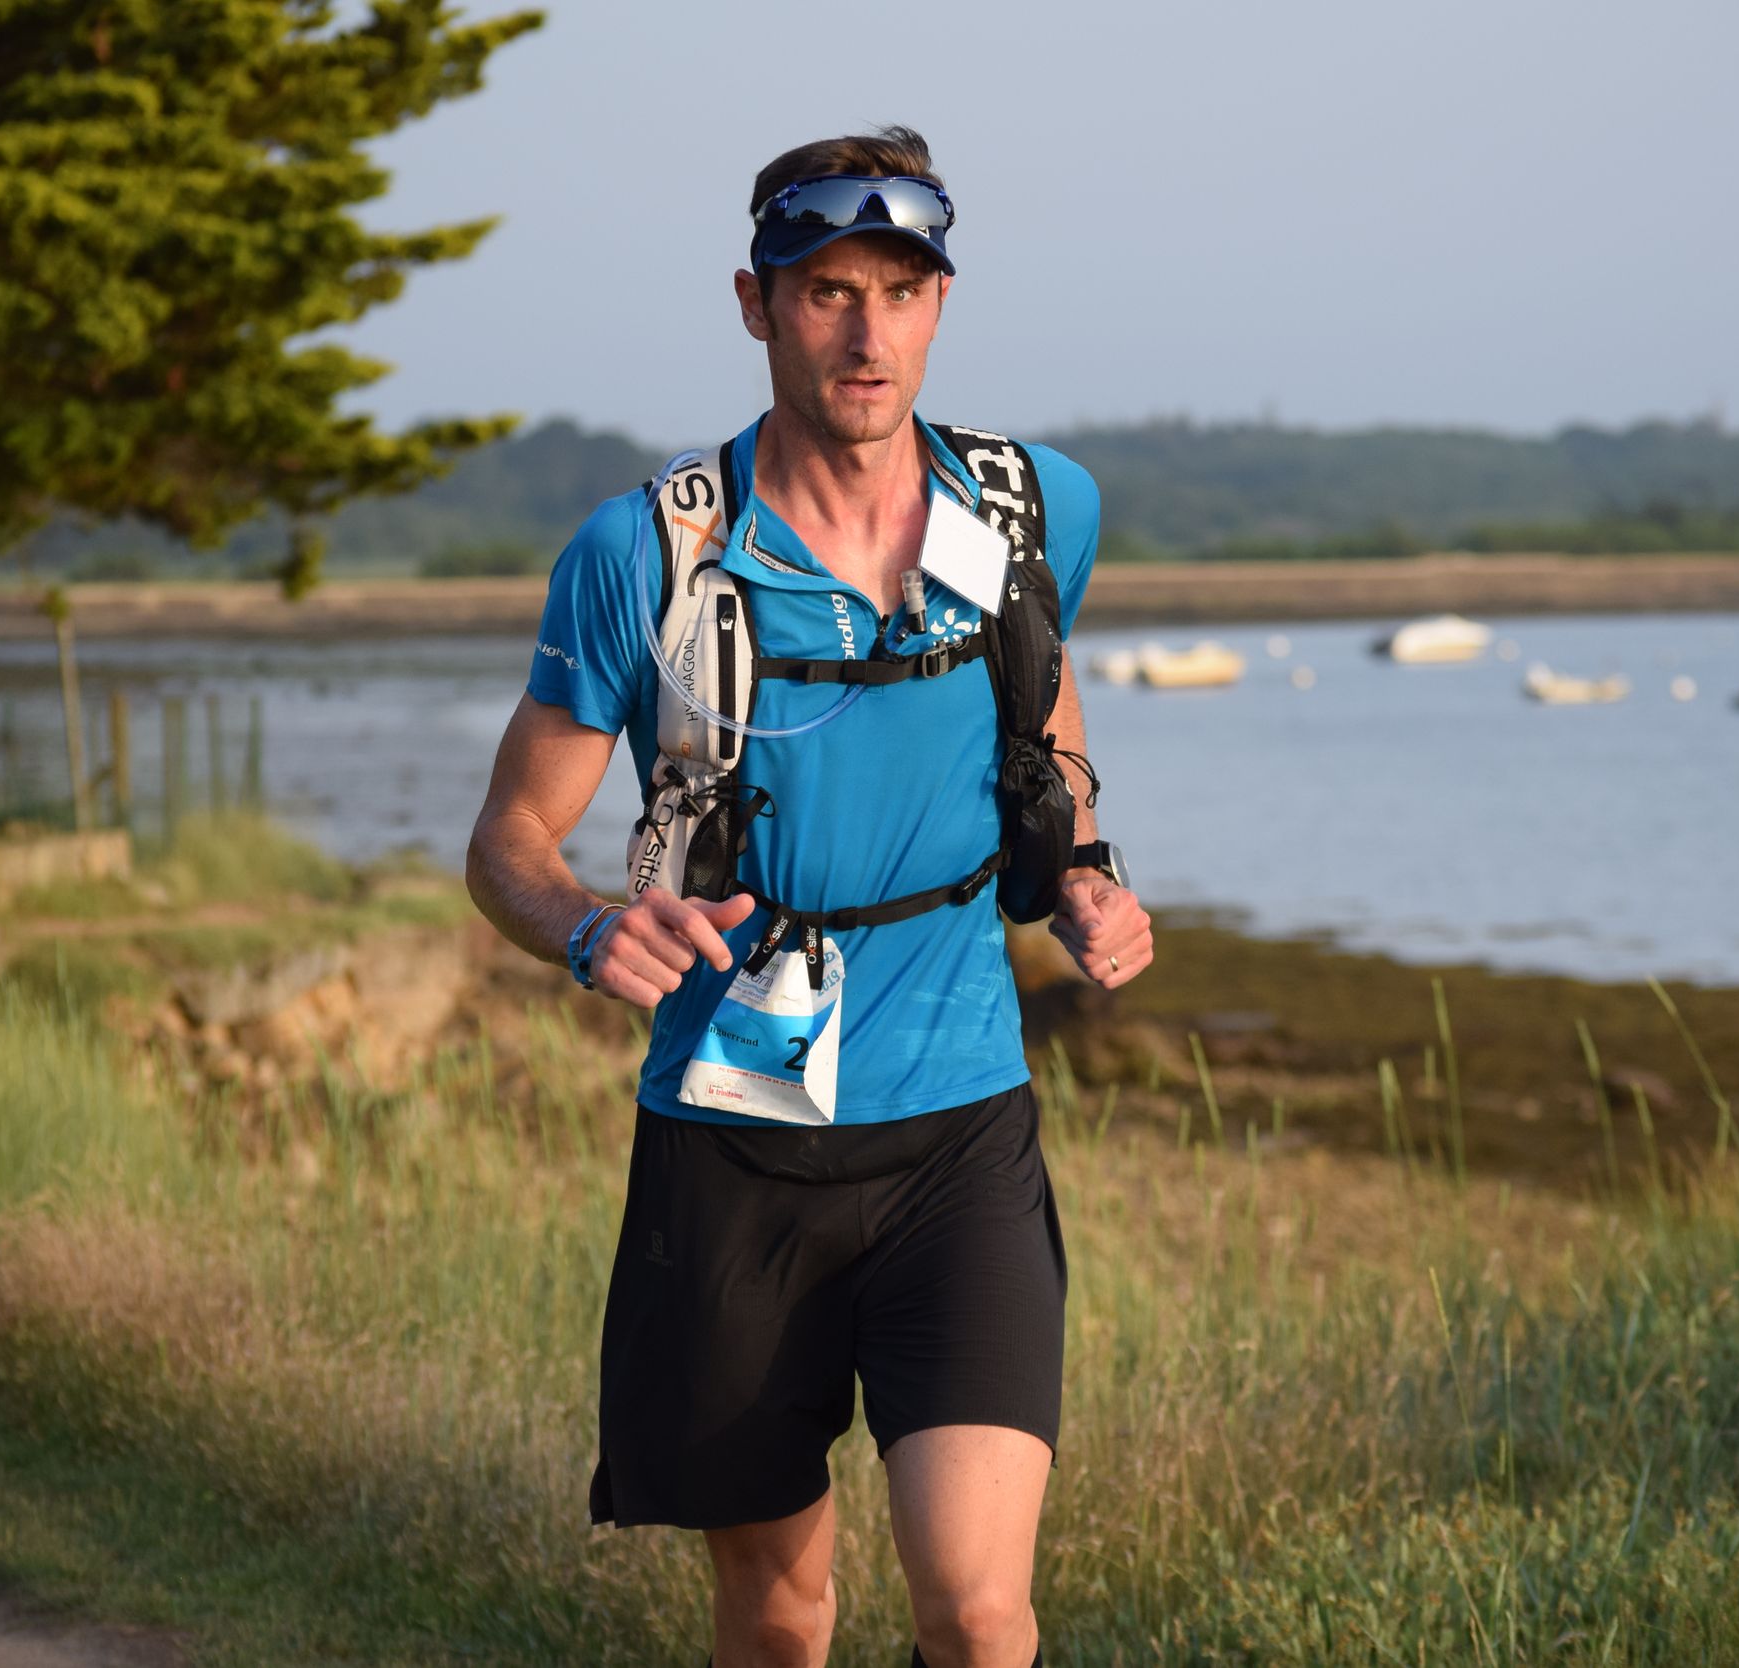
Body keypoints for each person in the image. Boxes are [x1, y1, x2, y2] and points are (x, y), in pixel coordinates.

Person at [464, 125, 1151, 1668]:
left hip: (959, 1131)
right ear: (756, 304)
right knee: (781, 1618)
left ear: (941, 302)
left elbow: (1042, 707)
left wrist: (1086, 870)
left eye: (900, 291)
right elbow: (509, 837)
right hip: (736, 1140)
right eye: (828, 290)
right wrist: (586, 927)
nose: (866, 331)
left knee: (980, 1615)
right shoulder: (644, 553)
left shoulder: (1033, 508)